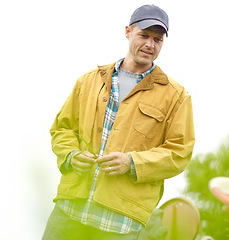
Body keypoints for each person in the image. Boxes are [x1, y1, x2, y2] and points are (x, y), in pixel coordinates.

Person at [42, 4, 195, 240]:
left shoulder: (176, 96)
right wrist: (71, 155)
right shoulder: (89, 81)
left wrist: (132, 162)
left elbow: (179, 153)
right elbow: (62, 129)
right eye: (144, 35)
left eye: (157, 39)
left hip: (120, 225)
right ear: (128, 32)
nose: (149, 45)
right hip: (69, 213)